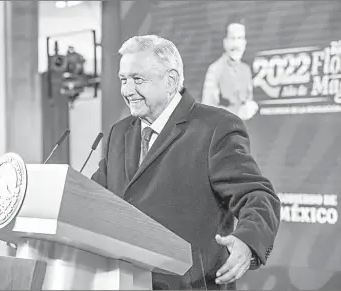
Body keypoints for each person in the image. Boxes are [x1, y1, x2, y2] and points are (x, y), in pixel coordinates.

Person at [91, 35, 280, 290]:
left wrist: (247, 241)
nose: (127, 90)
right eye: (123, 80)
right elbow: (94, 197)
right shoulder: (119, 132)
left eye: (138, 79)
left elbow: (257, 195)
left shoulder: (215, 127)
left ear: (170, 80)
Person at [201, 16, 259, 121]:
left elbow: (248, 102)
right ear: (225, 42)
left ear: (245, 43)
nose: (236, 44)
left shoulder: (246, 70)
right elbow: (207, 110)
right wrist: (237, 112)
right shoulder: (215, 69)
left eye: (240, 38)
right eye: (232, 38)